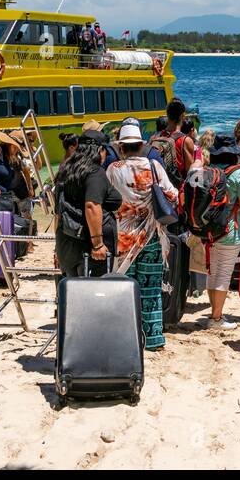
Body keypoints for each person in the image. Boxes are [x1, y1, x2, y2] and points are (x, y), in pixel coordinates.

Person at [106, 122, 180, 351]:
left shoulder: (113, 170)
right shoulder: (154, 166)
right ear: (140, 145)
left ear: (121, 147)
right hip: (152, 236)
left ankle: (126, 337)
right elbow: (173, 195)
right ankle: (154, 339)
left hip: (123, 237)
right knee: (151, 288)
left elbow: (106, 201)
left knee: (124, 288)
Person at [196, 134, 240, 331]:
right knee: (224, 274)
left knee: (213, 271)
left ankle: (214, 314)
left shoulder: (208, 171)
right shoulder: (238, 174)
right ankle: (217, 318)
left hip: (209, 230)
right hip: (230, 230)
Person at [53, 133, 121, 278]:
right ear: (99, 150)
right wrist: (98, 244)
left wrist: (57, 248)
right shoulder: (95, 172)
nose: (106, 155)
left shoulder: (65, 171)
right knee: (94, 293)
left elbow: (58, 213)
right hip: (90, 248)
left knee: (75, 293)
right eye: (105, 151)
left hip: (67, 243)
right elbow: (91, 205)